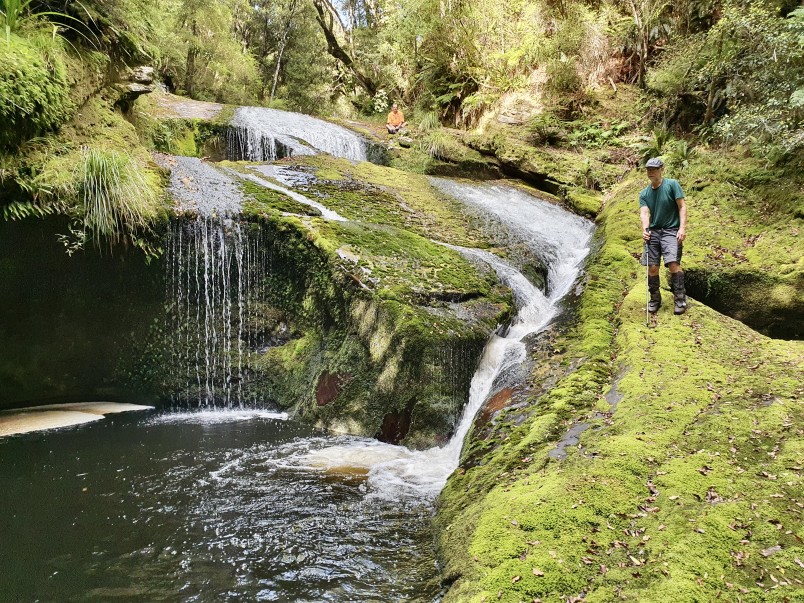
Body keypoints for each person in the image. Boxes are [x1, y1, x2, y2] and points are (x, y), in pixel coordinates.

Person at [640, 157, 688, 315]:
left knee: (673, 263)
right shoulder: (644, 193)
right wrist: (645, 229)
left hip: (671, 230)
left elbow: (682, 206)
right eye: (648, 169)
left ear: (661, 169)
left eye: (654, 169)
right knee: (652, 267)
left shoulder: (672, 184)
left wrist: (681, 228)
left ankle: (680, 299)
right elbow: (645, 212)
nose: (651, 172)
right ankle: (655, 299)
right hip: (654, 232)